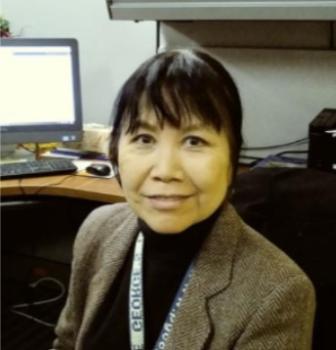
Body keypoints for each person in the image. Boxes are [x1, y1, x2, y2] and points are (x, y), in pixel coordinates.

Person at [52, 49, 315, 350]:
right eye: (144, 139)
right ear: (115, 151)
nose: (166, 171)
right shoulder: (97, 230)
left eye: (194, 141)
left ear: (232, 158)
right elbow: (66, 343)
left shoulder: (278, 294)